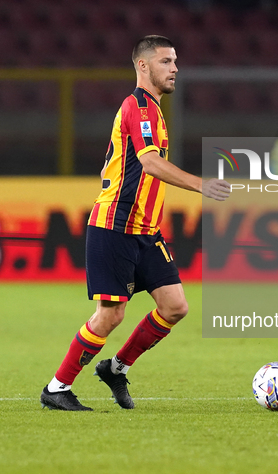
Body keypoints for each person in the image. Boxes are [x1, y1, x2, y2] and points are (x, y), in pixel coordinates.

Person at [40, 35, 231, 411]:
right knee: (111, 314)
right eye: (165, 61)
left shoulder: (153, 111)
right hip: (115, 227)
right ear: (142, 66)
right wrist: (201, 185)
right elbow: (149, 163)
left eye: (175, 61)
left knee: (175, 306)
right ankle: (57, 387)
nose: (174, 68)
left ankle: (116, 367)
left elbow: (118, 160)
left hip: (145, 230)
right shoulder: (139, 106)